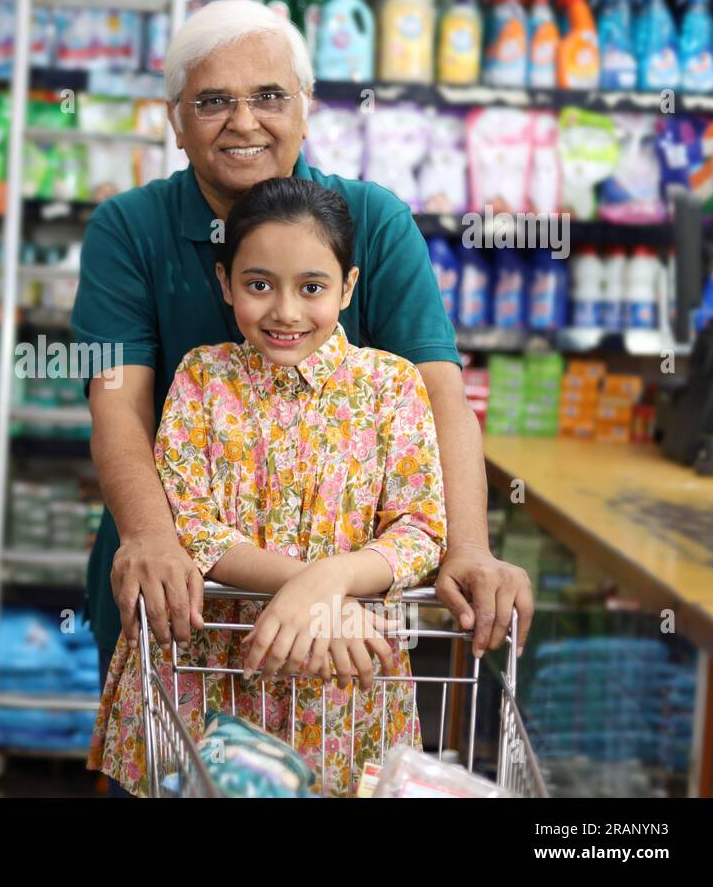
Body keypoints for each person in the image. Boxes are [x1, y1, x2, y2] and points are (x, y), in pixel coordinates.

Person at [70, 0, 533, 709]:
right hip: (184, 586)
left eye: (270, 96)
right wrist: (151, 537)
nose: (245, 121)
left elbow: (442, 393)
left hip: (346, 611)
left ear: (307, 107)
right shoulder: (129, 228)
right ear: (174, 118)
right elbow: (117, 401)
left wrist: (468, 548)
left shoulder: (373, 221)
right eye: (213, 101)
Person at [88, 176, 446, 796]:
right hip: (209, 673)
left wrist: (334, 582)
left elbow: (422, 529)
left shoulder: (394, 386)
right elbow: (189, 528)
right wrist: (315, 590)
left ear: (349, 286)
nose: (285, 311)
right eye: (259, 285)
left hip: (341, 687)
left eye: (312, 287)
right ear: (225, 284)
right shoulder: (202, 378)